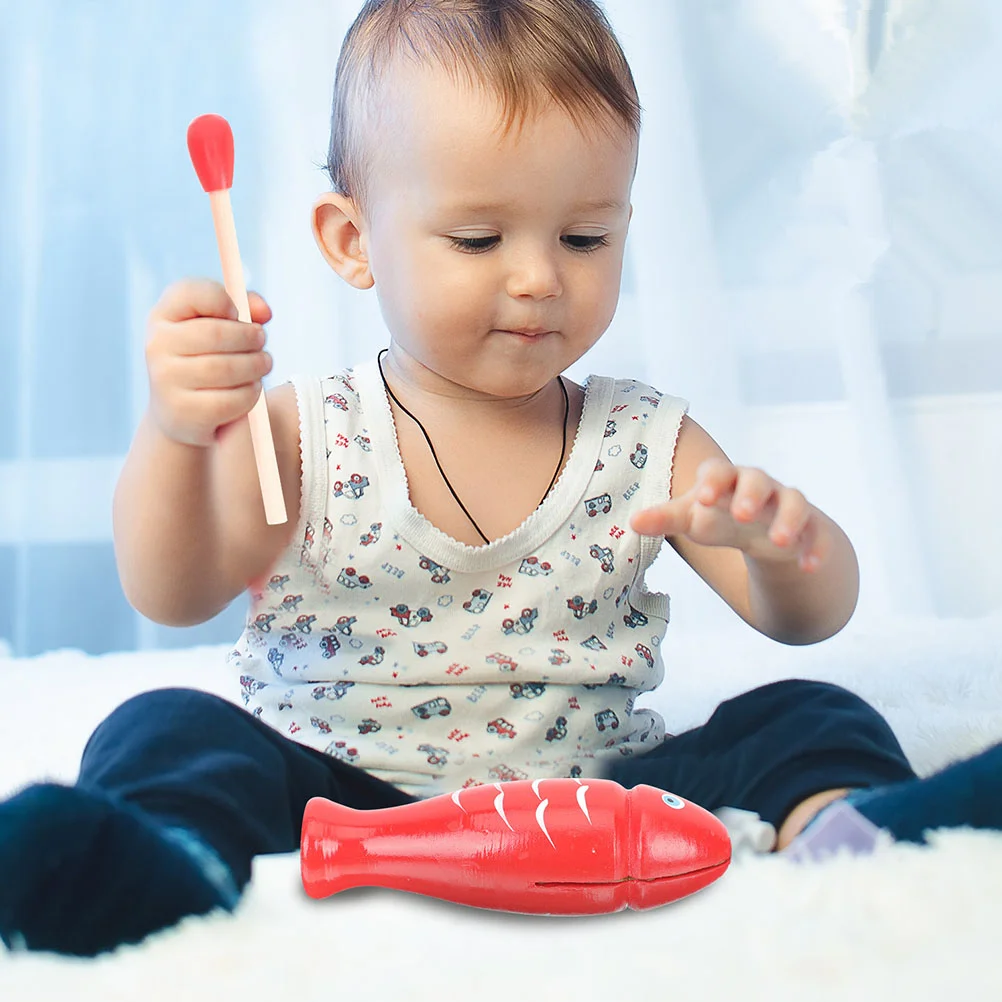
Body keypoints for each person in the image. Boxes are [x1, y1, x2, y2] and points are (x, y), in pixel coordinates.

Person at [2, 0, 999, 959]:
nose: (539, 278)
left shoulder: (641, 434)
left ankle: (858, 832)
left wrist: (783, 550)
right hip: (332, 792)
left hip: (602, 799)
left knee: (809, 712)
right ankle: (168, 868)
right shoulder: (302, 432)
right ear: (354, 244)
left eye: (585, 237)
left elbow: (807, 617)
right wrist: (178, 434)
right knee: (161, 728)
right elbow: (169, 593)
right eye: (480, 239)